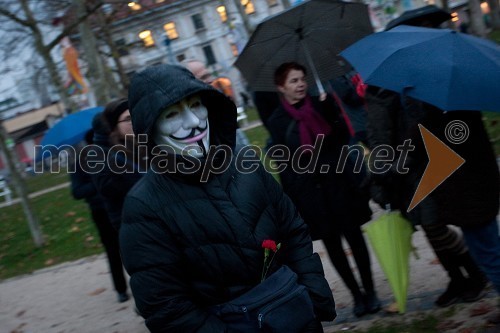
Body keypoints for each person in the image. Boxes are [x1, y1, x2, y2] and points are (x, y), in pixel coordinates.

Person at [119, 64, 336, 332]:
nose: (193, 122)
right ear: (150, 127)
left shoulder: (246, 164)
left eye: (196, 106)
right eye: (173, 114)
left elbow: (293, 230)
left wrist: (313, 295)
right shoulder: (144, 206)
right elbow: (165, 305)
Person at [266, 62, 379, 317]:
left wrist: (333, 112)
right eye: (294, 81)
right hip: (312, 193)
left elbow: (342, 139)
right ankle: (357, 296)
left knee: (355, 238)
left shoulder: (321, 104)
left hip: (339, 183)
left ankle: (371, 291)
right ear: (281, 87)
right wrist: (293, 199)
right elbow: (286, 163)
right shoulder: (278, 120)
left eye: (302, 78)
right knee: (334, 246)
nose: (301, 84)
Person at [364, 87, 493, 308]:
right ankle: (457, 278)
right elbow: (377, 134)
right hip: (400, 169)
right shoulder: (376, 92)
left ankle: (474, 273)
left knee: (434, 224)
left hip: (426, 162)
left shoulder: (412, 88)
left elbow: (423, 126)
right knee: (428, 225)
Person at [70, 129, 129, 303]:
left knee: (134, 246)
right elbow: (77, 191)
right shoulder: (79, 163)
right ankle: (121, 289)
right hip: (101, 212)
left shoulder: (116, 156)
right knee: (112, 250)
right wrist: (98, 184)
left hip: (122, 207)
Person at [91, 98, 144, 231]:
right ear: (114, 128)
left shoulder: (141, 146)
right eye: (127, 119)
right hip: (136, 224)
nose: (134, 121)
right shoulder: (113, 158)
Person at [182, 58, 250, 147]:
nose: (210, 80)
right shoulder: (190, 115)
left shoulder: (219, 100)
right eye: (203, 77)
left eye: (209, 75)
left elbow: (238, 136)